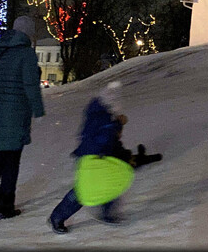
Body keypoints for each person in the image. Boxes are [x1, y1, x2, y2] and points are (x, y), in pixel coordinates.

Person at [48, 81, 162, 233]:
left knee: (111, 180)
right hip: (90, 160)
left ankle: (106, 213)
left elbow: (111, 142)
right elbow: (105, 141)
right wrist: (118, 128)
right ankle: (57, 217)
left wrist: (123, 153)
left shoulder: (102, 118)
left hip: (99, 158)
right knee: (82, 191)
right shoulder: (103, 121)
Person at [0, 15, 45, 220]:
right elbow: (30, 85)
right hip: (15, 115)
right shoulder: (26, 54)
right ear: (28, 34)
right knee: (11, 162)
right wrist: (38, 110)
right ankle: (5, 206)